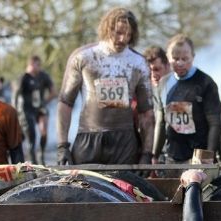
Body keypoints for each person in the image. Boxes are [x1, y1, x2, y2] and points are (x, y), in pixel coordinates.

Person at [56, 7, 154, 165]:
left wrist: (147, 153)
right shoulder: (83, 57)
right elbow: (65, 103)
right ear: (107, 29)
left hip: (124, 143)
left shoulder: (139, 63)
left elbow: (147, 113)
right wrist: (62, 145)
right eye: (118, 32)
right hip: (88, 139)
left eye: (128, 35)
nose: (122, 39)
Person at [152, 34, 221, 171]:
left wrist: (209, 156)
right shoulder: (163, 84)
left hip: (198, 157)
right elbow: (160, 123)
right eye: (175, 59)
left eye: (185, 59)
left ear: (193, 57)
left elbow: (215, 123)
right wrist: (154, 154)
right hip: (172, 156)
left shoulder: (206, 83)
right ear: (168, 57)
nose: (180, 63)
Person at [15, 55, 55, 165]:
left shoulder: (43, 76)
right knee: (27, 135)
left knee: (43, 131)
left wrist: (44, 102)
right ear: (30, 65)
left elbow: (53, 92)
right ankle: (27, 157)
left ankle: (41, 153)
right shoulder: (24, 77)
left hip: (39, 107)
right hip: (26, 109)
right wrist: (15, 110)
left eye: (39, 65)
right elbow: (17, 93)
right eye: (35, 65)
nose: (37, 68)